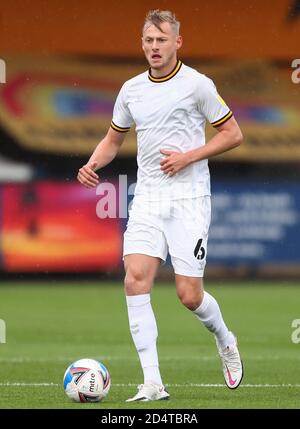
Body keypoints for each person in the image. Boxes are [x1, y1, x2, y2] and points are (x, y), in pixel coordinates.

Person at [77, 9, 244, 402]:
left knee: (189, 295)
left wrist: (190, 156)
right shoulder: (131, 89)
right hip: (149, 197)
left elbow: (233, 134)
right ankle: (152, 382)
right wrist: (92, 163)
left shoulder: (198, 85)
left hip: (189, 198)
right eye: (149, 40)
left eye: (162, 40)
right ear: (143, 44)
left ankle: (225, 339)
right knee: (135, 279)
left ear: (177, 43)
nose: (155, 47)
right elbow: (113, 140)